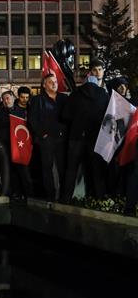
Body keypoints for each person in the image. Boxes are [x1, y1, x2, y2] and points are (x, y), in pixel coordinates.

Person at [60, 71, 109, 202]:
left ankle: (66, 198)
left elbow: (65, 115)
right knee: (96, 170)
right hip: (95, 138)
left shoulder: (75, 94)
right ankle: (100, 199)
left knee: (71, 169)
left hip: (76, 136)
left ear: (85, 82)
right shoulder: (103, 94)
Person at [28, 74, 68, 201]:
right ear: (44, 85)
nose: (54, 84)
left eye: (55, 81)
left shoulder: (64, 98)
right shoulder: (37, 100)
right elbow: (32, 119)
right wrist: (42, 134)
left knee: (63, 168)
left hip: (62, 138)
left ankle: (64, 196)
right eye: (50, 82)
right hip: (47, 139)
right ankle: (50, 195)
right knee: (47, 168)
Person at [9, 87, 34, 197]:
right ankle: (22, 194)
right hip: (16, 145)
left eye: (27, 97)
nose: (25, 100)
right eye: (22, 97)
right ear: (18, 97)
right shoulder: (12, 110)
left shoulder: (32, 108)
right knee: (19, 171)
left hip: (31, 144)